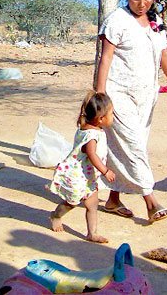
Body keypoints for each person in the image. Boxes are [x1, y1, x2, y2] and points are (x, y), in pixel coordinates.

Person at [96, 0, 167, 224]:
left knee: (132, 147)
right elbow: (106, 57)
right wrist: (100, 95)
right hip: (117, 93)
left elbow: (164, 54)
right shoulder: (117, 20)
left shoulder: (156, 23)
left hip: (146, 95)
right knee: (132, 146)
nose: (141, 4)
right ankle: (151, 201)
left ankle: (112, 199)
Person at [48, 91, 116, 244]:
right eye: (111, 113)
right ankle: (56, 215)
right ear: (101, 119)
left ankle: (92, 233)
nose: (113, 116)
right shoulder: (91, 135)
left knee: (92, 204)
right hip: (78, 176)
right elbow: (92, 154)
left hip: (89, 176)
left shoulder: (92, 129)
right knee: (71, 202)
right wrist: (105, 171)